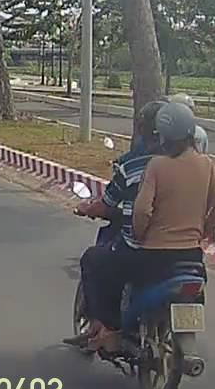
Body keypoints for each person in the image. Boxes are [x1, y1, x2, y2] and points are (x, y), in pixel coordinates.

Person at [77, 103, 215, 353]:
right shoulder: (207, 164)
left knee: (95, 259)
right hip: (191, 257)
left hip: (152, 256)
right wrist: (203, 231)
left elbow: (141, 211)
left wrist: (140, 235)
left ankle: (111, 330)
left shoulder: (156, 166)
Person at [64, 100, 167, 349]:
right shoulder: (192, 166)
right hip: (185, 252)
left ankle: (109, 328)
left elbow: (115, 205)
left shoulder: (133, 165)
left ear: (141, 129)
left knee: (95, 259)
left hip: (143, 250)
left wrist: (88, 208)